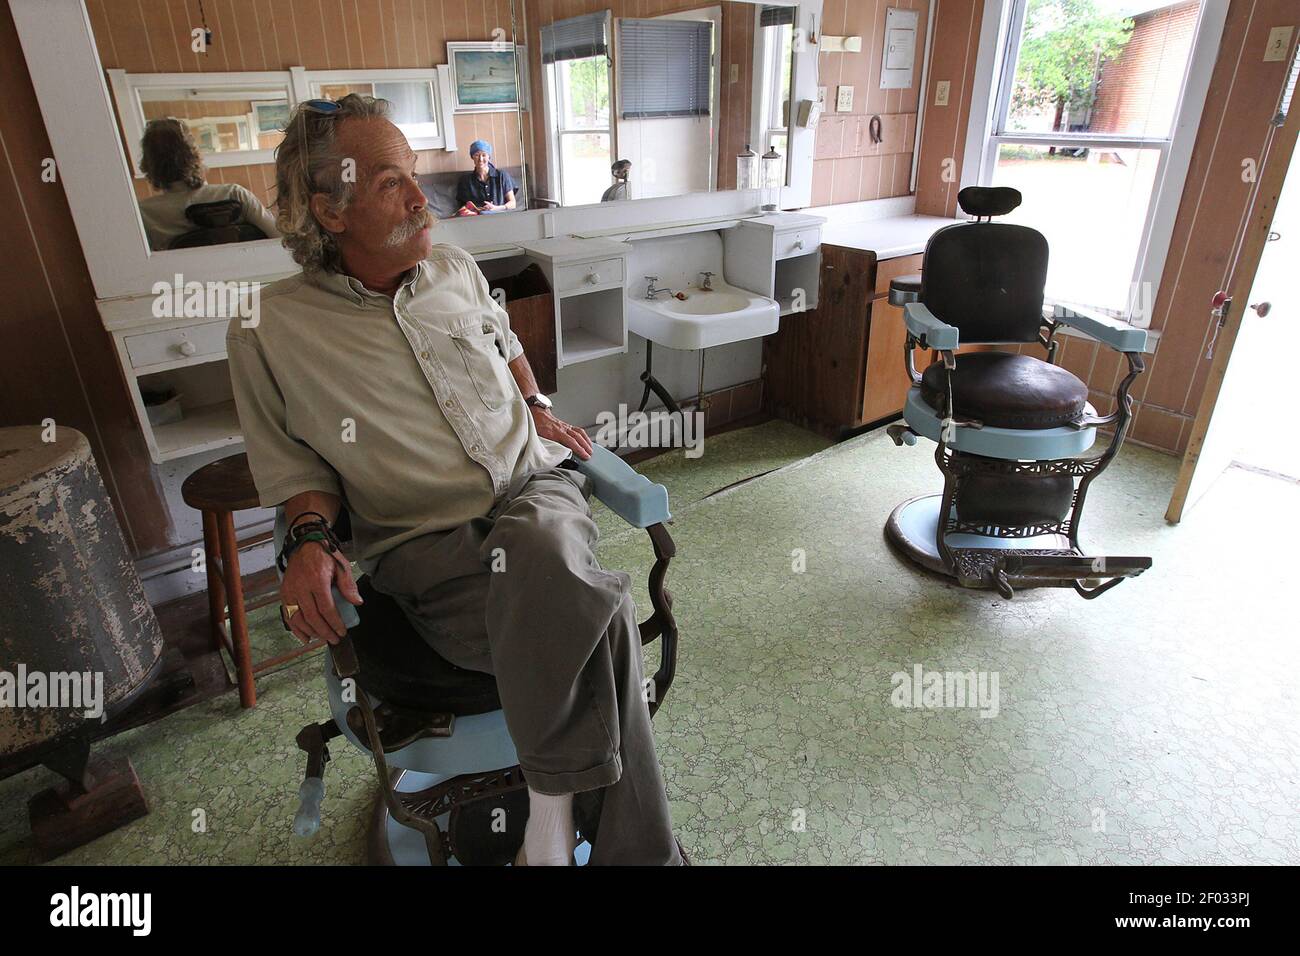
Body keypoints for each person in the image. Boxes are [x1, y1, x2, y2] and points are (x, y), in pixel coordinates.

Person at [226, 95, 682, 866]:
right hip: (426, 544)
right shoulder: (269, 329)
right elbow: (296, 465)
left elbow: (504, 344)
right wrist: (306, 540)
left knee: (544, 545)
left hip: (533, 492)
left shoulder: (455, 269)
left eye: (411, 174)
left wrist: (536, 403)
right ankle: (582, 828)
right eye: (386, 184)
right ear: (327, 211)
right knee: (594, 618)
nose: (418, 197)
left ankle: (546, 814)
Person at [136, 118, 279, 250]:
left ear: (149, 164)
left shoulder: (144, 214)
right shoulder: (234, 194)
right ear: (194, 153)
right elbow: (280, 240)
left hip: (182, 278)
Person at [455, 139, 517, 212]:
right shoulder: (465, 181)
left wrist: (496, 208)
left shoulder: (502, 175)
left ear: (489, 157)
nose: (480, 159)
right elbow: (463, 208)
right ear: (472, 157)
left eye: (484, 155)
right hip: (478, 219)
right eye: (477, 155)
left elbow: (513, 203)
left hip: (500, 216)